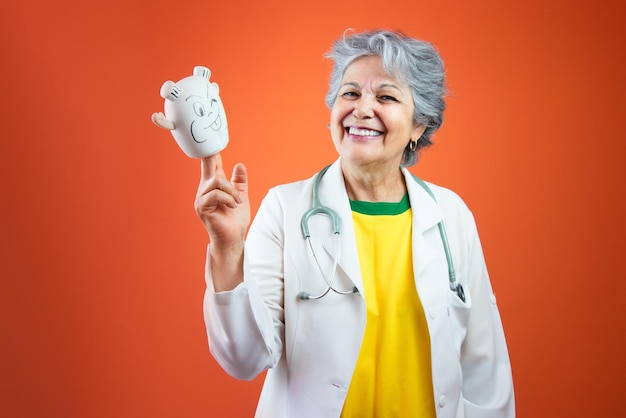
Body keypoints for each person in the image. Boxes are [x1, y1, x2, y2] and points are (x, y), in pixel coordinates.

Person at [195, 29, 515, 418]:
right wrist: (228, 249)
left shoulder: (452, 216)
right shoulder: (285, 208)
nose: (362, 109)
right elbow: (244, 358)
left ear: (419, 125)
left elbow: (486, 371)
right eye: (350, 93)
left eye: (386, 96)